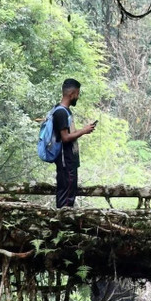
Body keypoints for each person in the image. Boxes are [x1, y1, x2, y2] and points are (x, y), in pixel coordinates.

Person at [53, 78, 96, 208]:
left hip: (69, 160)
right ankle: (62, 223)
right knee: (66, 196)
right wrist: (83, 131)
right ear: (72, 94)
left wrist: (84, 130)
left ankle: (63, 223)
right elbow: (65, 138)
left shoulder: (65, 111)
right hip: (66, 161)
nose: (77, 97)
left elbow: (68, 133)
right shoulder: (60, 112)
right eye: (77, 94)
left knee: (69, 193)